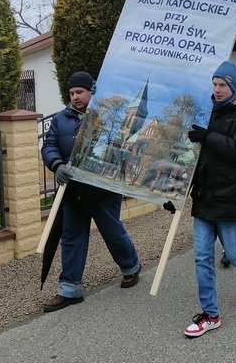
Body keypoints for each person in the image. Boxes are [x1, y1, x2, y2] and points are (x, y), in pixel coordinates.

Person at [41, 72, 142, 312]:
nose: (75, 97)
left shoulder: (107, 115)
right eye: (72, 93)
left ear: (91, 92)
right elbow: (49, 145)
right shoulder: (60, 120)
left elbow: (120, 141)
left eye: (80, 92)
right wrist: (57, 164)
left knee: (111, 230)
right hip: (72, 189)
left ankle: (131, 266)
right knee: (71, 236)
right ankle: (70, 288)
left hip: (102, 187)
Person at [184, 61, 236, 338]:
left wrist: (207, 136)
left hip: (231, 195)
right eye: (214, 84)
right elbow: (194, 152)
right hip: (205, 196)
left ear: (233, 86)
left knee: (235, 251)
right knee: (202, 257)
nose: (216, 90)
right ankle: (210, 314)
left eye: (222, 85)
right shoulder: (206, 112)